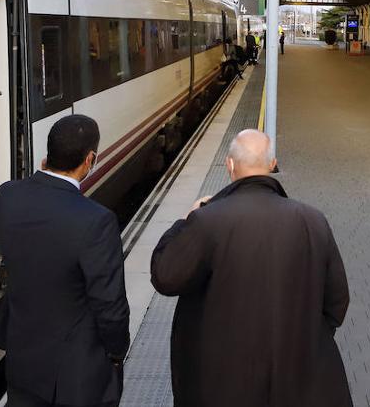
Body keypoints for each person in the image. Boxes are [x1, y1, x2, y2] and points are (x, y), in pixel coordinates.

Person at [150, 130, 352, 407]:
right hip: (296, 382)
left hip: (220, 381)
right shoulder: (313, 220)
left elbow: (165, 277)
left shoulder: (208, 220)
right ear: (272, 165)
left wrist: (184, 221)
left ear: (230, 165)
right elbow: (337, 301)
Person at [0, 115, 130, 406]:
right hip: (73, 371)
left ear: (47, 156)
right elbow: (109, 303)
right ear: (89, 159)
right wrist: (117, 352)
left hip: (23, 358)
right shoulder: (96, 221)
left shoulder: (7, 197)